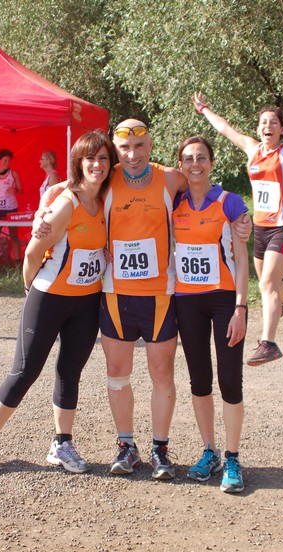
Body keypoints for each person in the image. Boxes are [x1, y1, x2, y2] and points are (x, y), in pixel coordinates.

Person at [34, 120, 251, 481]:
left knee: (162, 374)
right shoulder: (107, 177)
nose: (132, 155)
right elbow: (65, 186)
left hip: (162, 297)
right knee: (118, 374)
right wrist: (43, 208)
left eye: (139, 147)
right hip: (116, 295)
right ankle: (126, 446)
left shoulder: (170, 178)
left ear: (150, 145)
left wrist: (240, 221)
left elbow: (206, 185)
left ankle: (160, 449)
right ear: (117, 151)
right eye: (125, 149)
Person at [0, 130, 117, 476]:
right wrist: (30, 291)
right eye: (89, 159)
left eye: (102, 158)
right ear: (78, 164)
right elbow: (33, 252)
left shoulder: (106, 199)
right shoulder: (67, 202)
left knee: (70, 373)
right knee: (25, 371)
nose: (97, 165)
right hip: (49, 297)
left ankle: (62, 444)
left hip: (85, 303)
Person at [192, 92, 283, 366]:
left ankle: (268, 344)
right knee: (270, 283)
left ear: (282, 130)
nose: (267, 126)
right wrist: (204, 109)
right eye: (263, 123)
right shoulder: (252, 148)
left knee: (267, 282)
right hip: (261, 228)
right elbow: (224, 127)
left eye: (273, 123)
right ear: (258, 129)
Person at [173, 135, 248, 493]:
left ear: (212, 163)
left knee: (230, 381)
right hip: (186, 301)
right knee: (199, 380)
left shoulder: (229, 202)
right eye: (188, 159)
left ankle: (232, 457)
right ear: (181, 165)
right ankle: (210, 451)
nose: (195, 164)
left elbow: (244, 259)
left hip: (223, 300)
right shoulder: (174, 202)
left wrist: (241, 307)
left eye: (201, 158)